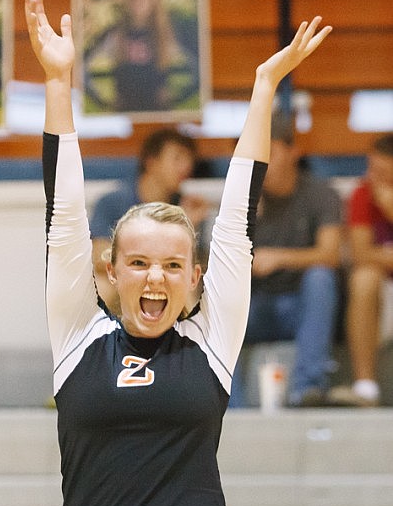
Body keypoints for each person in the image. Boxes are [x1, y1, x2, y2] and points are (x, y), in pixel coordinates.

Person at [24, 0, 331, 506]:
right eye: (138, 263)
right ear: (111, 272)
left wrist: (262, 88)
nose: (155, 277)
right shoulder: (77, 337)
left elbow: (237, 213)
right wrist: (59, 83)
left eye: (171, 265)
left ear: (195, 278)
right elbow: (63, 213)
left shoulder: (212, 338)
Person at [229, 111, 342, 408]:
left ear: (293, 151)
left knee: (321, 278)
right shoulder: (242, 198)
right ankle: (229, 405)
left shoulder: (321, 193)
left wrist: (279, 258)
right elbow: (223, 265)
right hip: (256, 309)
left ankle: (307, 389)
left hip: (300, 308)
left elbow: (330, 255)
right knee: (218, 297)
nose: (260, 161)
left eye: (268, 151)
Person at [91, 127, 210, 311]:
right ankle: (95, 339)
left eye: (189, 159)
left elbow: (196, 266)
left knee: (186, 285)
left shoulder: (187, 207)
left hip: (166, 280)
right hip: (125, 279)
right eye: (177, 158)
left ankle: (195, 338)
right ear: (151, 162)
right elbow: (98, 254)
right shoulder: (113, 201)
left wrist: (187, 229)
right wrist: (139, 264)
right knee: (102, 283)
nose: (186, 166)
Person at [328, 134, 393, 406]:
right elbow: (360, 254)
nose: (372, 175)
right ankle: (365, 387)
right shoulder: (363, 193)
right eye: (371, 167)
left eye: (380, 170)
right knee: (364, 279)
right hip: (382, 289)